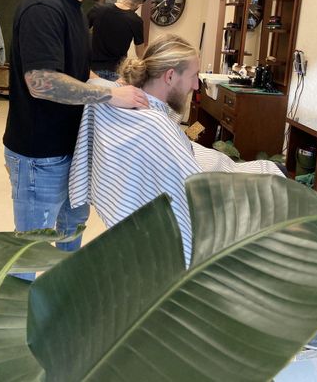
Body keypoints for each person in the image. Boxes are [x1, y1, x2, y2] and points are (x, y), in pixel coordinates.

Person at [3, 0, 148, 278]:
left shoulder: (75, 10)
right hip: (39, 157)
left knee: (70, 241)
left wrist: (115, 88)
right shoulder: (42, 8)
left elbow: (79, 72)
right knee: (30, 256)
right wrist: (111, 98)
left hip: (73, 152)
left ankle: (61, 302)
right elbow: (42, 82)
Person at [69, 34, 284, 266]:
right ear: (170, 76)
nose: (196, 85)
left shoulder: (119, 97)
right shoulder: (155, 124)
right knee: (274, 177)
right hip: (208, 174)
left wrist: (115, 89)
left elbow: (95, 83)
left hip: (201, 159)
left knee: (265, 171)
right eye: (193, 76)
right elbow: (195, 188)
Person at [87, 0, 148, 81]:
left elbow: (80, 32)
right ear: (139, 5)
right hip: (116, 73)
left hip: (92, 71)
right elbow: (140, 54)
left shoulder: (98, 9)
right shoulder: (136, 21)